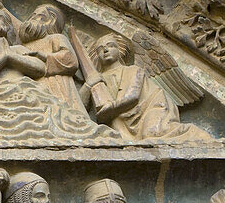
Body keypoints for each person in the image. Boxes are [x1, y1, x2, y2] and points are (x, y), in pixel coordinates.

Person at [0, 0, 109, 143]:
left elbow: (45, 66)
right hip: (12, 92)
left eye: (41, 17)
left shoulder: (31, 44)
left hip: (43, 86)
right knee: (22, 124)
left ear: (51, 21)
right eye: (32, 15)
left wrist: (15, 56)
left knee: (59, 118)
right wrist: (5, 56)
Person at [82, 33, 210, 141]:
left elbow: (132, 97)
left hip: (148, 109)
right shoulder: (96, 79)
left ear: (120, 50)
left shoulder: (132, 70)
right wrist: (88, 85)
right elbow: (79, 107)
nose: (105, 50)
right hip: (118, 120)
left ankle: (195, 134)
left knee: (153, 134)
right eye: (100, 49)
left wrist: (108, 109)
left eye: (111, 46)